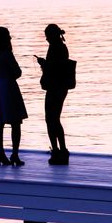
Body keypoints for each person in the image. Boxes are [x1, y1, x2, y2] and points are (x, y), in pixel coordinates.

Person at [0, 27, 28, 166]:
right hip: (9, 89)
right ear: (4, 38)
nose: (11, 38)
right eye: (9, 36)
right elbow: (17, 72)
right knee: (16, 123)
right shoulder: (6, 53)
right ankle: (15, 154)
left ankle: (1, 153)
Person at [36, 24, 71, 165]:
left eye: (47, 36)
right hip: (59, 87)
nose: (46, 39)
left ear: (52, 35)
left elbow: (54, 69)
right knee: (53, 119)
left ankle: (58, 151)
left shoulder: (57, 48)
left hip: (55, 87)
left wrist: (43, 64)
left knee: (51, 119)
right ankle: (60, 150)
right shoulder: (60, 47)